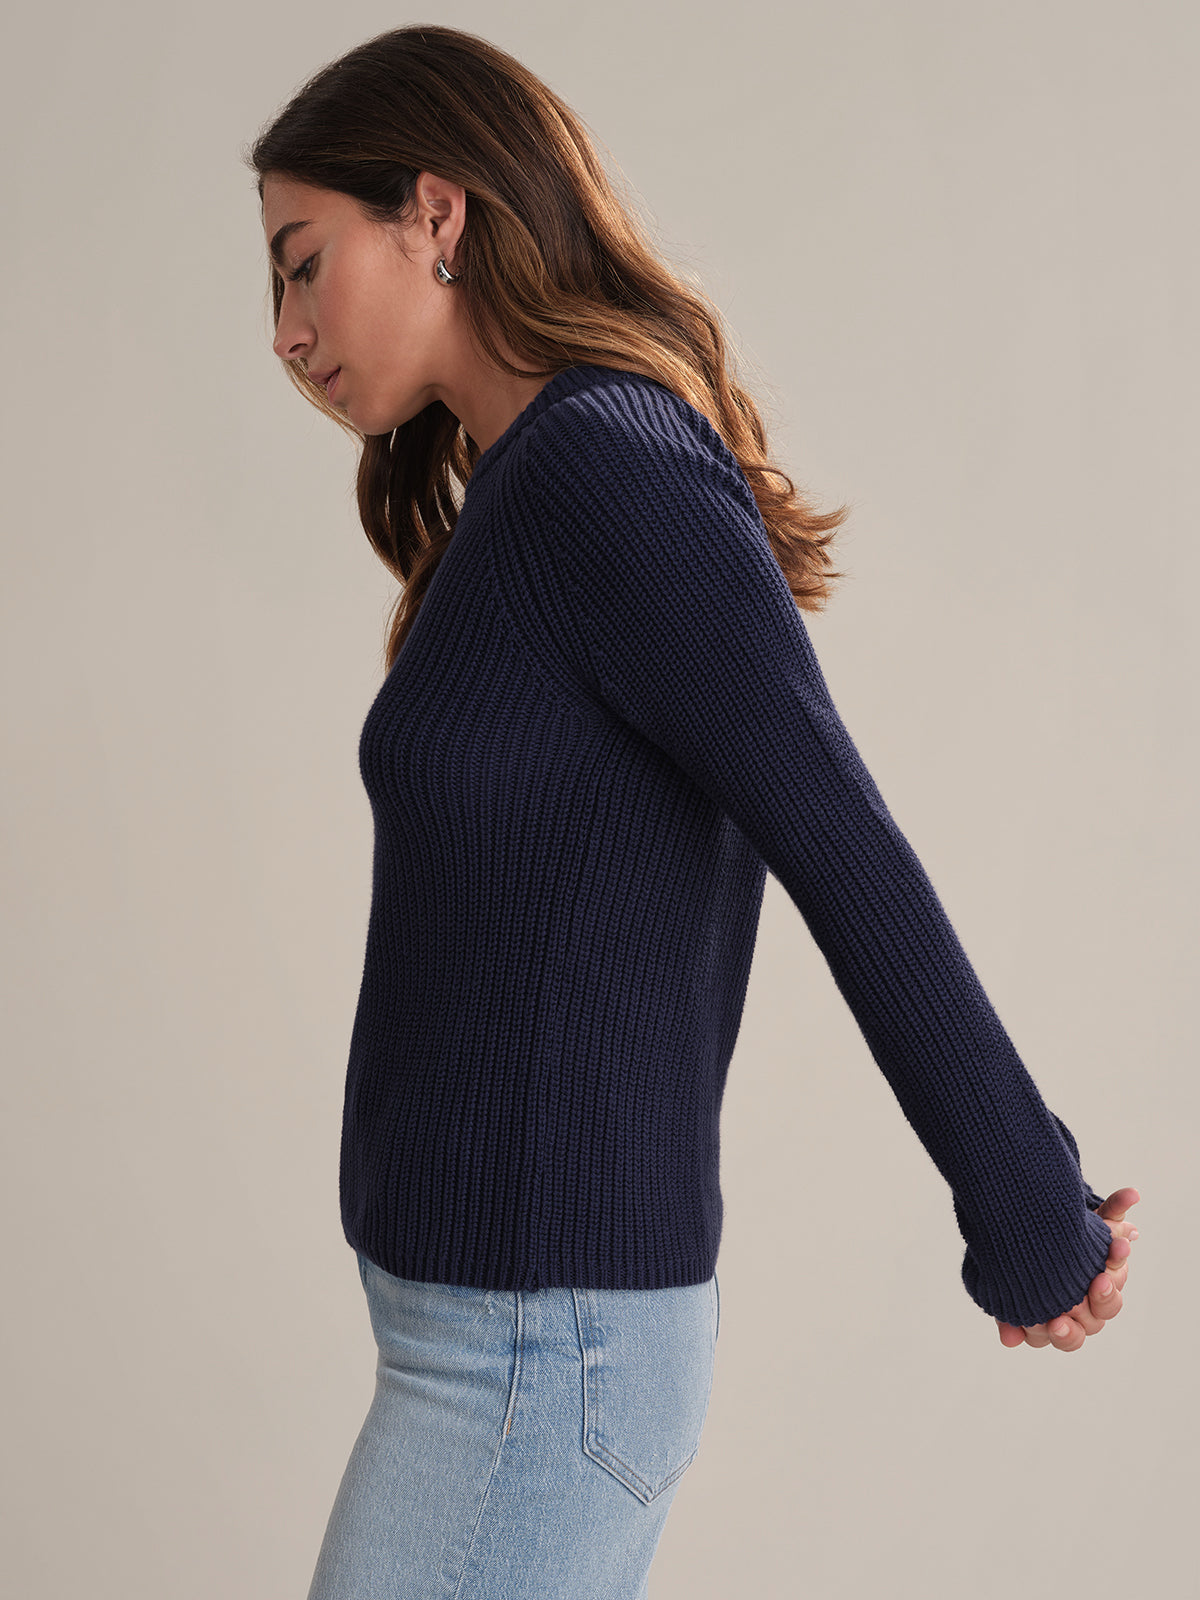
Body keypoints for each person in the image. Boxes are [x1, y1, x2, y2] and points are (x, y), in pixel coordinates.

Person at [246, 23, 1139, 1600]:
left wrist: (1029, 1209)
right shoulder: (531, 489)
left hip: (536, 1355)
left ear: (436, 215)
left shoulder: (606, 472)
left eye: (303, 265)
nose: (285, 329)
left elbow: (839, 837)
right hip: (498, 1341)